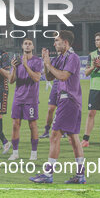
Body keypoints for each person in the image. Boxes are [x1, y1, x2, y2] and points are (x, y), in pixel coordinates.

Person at [30, 30, 85, 184]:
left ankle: (48, 174)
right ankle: (80, 175)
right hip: (69, 101)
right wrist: (46, 62)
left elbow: (62, 76)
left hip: (68, 100)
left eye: (57, 40)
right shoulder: (62, 57)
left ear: (65, 42)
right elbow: (49, 76)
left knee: (54, 135)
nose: (54, 43)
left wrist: (48, 64)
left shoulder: (72, 57)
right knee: (74, 138)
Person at [9, 39, 42, 161]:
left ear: (33, 46)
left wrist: (26, 65)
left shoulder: (37, 61)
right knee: (15, 125)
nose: (27, 45)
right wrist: (13, 68)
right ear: (22, 46)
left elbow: (37, 78)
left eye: (29, 44)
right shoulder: (17, 61)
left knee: (32, 125)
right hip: (18, 98)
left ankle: (34, 153)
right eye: (25, 44)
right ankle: (15, 152)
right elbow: (11, 81)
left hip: (31, 99)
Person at [40, 48, 60, 139]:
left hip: (66, 86)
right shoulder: (55, 59)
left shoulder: (70, 57)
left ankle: (63, 130)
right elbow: (48, 74)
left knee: (62, 110)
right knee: (50, 109)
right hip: (56, 85)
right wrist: (45, 60)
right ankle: (47, 130)